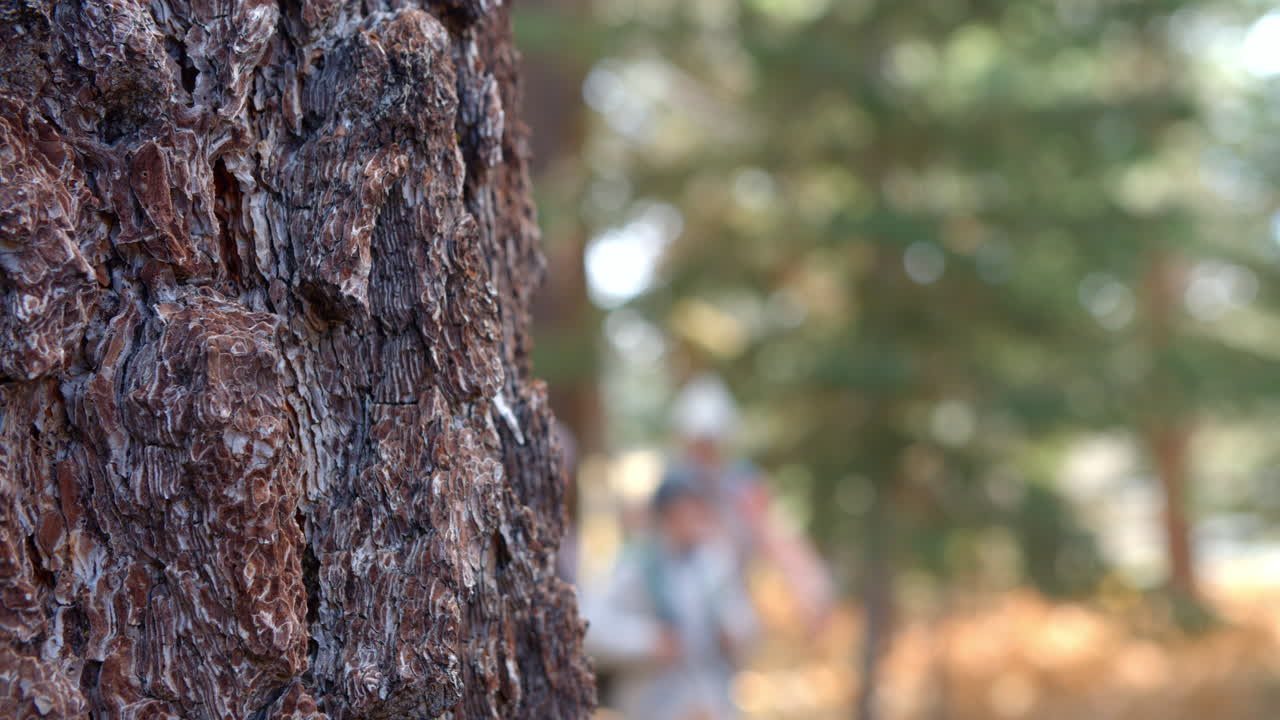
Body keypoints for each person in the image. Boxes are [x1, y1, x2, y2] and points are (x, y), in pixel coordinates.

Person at [583, 472, 757, 720]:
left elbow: (745, 620)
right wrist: (649, 641)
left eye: (695, 513)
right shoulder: (635, 566)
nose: (689, 523)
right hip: (652, 703)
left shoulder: (714, 564)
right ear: (662, 517)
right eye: (680, 514)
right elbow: (590, 628)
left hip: (713, 702)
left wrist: (733, 632)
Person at [669, 373, 834, 627]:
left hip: (727, 619)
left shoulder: (742, 486)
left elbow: (777, 536)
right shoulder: (673, 489)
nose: (705, 453)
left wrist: (811, 586)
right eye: (699, 444)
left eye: (711, 444)